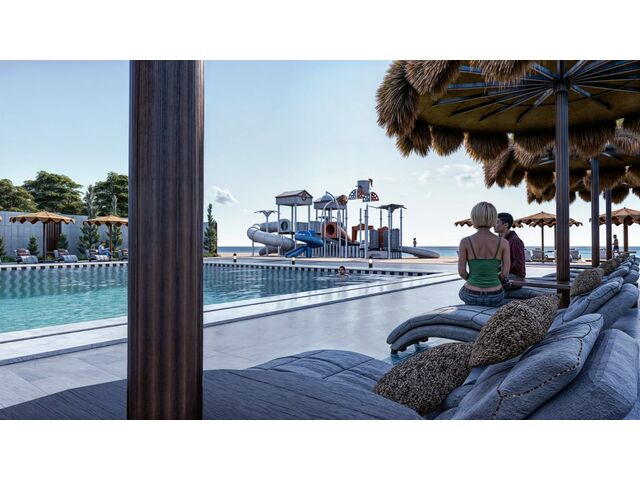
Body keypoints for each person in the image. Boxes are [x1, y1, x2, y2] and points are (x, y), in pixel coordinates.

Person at [458, 202, 510, 307]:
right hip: (495, 294)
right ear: (493, 219)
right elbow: (504, 274)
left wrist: (474, 280)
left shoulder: (465, 241)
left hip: (471, 294)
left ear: (474, 218)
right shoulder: (503, 242)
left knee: (462, 292)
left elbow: (462, 272)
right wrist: (491, 281)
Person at [494, 212, 526, 288]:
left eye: (497, 222)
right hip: (504, 273)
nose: (494, 225)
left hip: (516, 277)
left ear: (506, 225)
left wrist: (500, 266)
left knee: (488, 281)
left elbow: (519, 265)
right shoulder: (498, 241)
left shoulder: (515, 241)